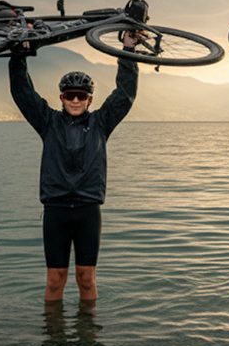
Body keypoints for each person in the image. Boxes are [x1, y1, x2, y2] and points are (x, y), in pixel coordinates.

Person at [9, 31, 141, 304]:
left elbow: (125, 94)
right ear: (62, 97)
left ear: (90, 99)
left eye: (81, 95)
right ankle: (53, 339)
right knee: (55, 280)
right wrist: (18, 55)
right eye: (70, 95)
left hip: (88, 210)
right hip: (56, 209)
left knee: (86, 278)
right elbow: (23, 93)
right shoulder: (48, 122)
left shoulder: (102, 123)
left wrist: (128, 49)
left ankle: (88, 338)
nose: (76, 100)